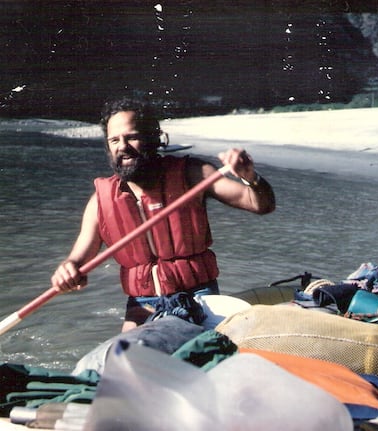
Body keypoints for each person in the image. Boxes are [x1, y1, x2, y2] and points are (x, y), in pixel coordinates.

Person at [51, 97, 276, 332]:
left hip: (199, 298)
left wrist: (251, 177)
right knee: (122, 358)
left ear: (153, 138)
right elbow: (79, 257)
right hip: (142, 305)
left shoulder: (193, 173)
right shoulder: (101, 200)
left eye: (132, 137)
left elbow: (259, 204)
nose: (122, 146)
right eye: (114, 140)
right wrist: (68, 269)